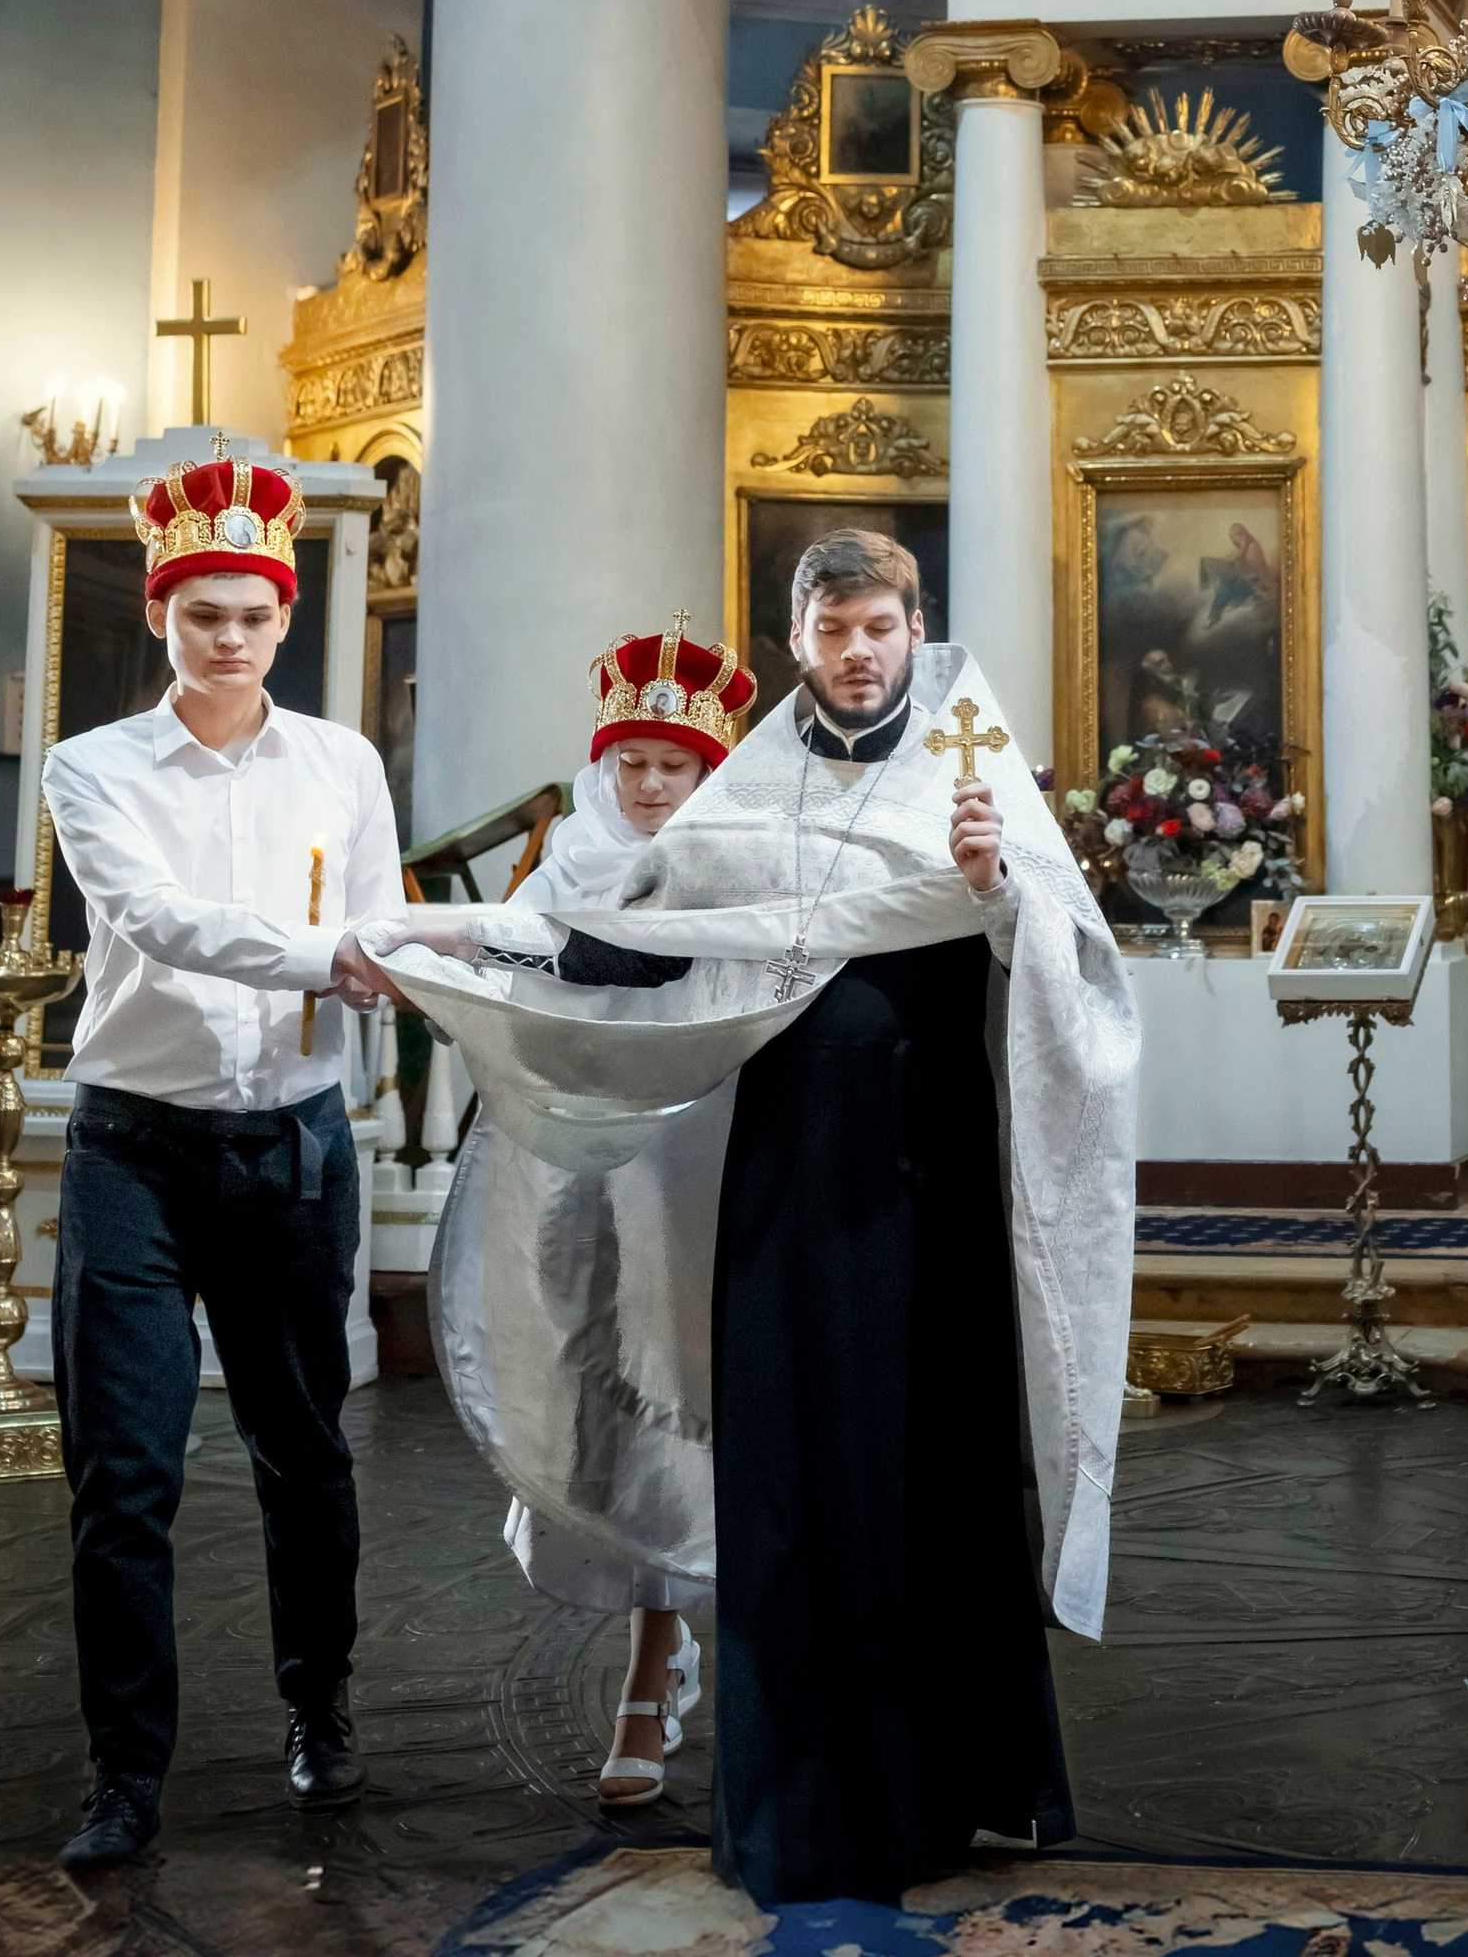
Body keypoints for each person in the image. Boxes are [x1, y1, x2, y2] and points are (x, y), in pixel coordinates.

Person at [375, 527, 1136, 1908]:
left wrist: (996, 890)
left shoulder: (972, 774)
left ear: (917, 630)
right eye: (834, 628)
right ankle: (804, 1821)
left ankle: (957, 1793)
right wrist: (452, 939)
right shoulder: (743, 793)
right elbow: (643, 942)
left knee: (937, 1476)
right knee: (797, 1483)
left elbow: (1075, 969)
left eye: (881, 627)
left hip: (941, 1190)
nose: (858, 650)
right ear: (800, 639)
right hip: (791, 1196)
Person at [38, 455, 401, 1873]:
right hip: (136, 1145)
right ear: (161, 617)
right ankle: (125, 1773)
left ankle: (321, 1708)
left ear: (284, 618)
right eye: (206, 618)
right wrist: (337, 955)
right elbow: (162, 917)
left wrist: (439, 965)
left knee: (305, 1454)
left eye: (253, 617)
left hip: (294, 1146)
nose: (232, 640)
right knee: (122, 1474)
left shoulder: (344, 763)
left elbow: (382, 919)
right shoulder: (95, 769)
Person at [501, 621, 755, 1811]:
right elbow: (519, 988)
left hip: (696, 1160)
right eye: (633, 763)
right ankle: (652, 1622)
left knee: (684, 1387)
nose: (650, 787)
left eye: (675, 767)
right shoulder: (557, 866)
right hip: (579, 1152)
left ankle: (657, 1666)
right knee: (594, 1386)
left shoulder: (743, 865)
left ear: (711, 772)